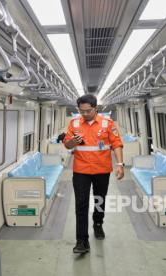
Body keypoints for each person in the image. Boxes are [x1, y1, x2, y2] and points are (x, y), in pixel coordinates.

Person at [63, 94, 124, 254]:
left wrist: (120, 164)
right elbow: (67, 145)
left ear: (95, 108)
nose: (84, 114)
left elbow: (117, 144)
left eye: (88, 111)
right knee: (81, 205)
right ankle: (82, 241)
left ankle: (98, 224)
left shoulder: (107, 123)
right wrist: (72, 142)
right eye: (81, 111)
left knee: (99, 200)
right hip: (81, 170)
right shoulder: (74, 123)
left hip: (102, 170)